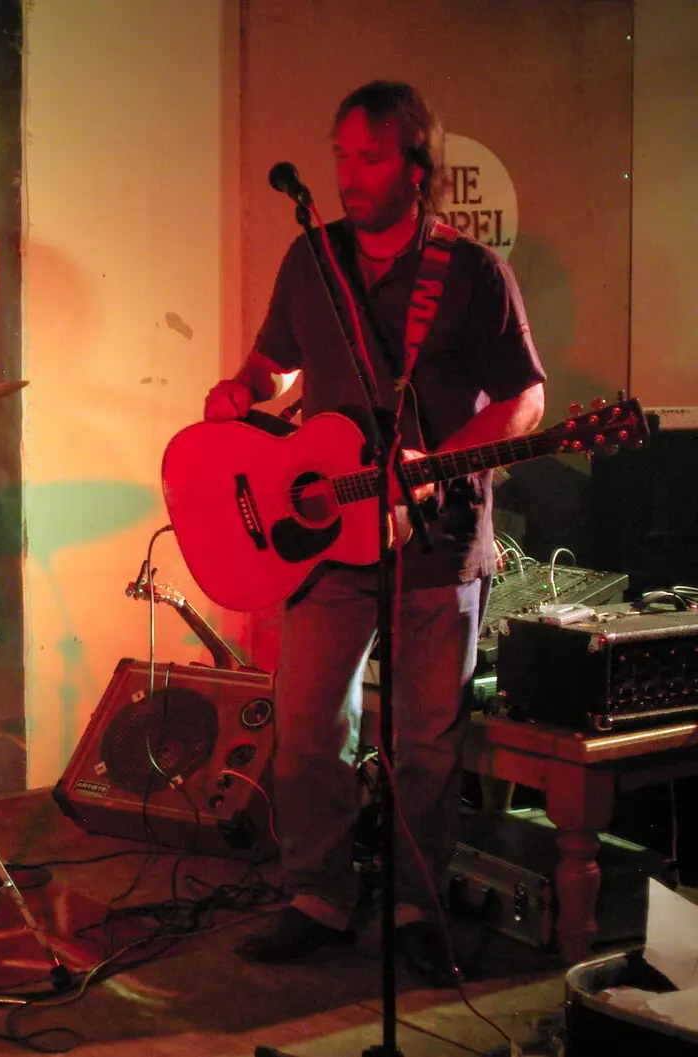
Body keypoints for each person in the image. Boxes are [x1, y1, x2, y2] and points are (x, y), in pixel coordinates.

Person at [207, 81, 546, 984]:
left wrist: (434, 460)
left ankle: (415, 906)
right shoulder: (309, 258)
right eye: (341, 157)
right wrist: (247, 390)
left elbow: (525, 399)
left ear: (417, 166)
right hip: (326, 540)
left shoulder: (472, 274)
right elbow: (278, 363)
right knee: (309, 720)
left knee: (428, 740)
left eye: (368, 158)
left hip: (436, 544)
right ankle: (317, 894)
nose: (349, 176)